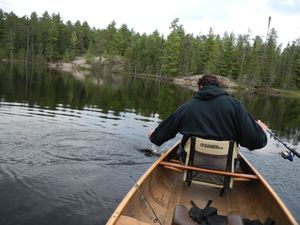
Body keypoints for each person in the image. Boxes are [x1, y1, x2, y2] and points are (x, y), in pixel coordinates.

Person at [148, 74, 268, 150]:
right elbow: (257, 142)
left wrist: (155, 136)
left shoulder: (187, 107)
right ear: (218, 87)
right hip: (224, 167)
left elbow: (165, 130)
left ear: (200, 87)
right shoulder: (236, 106)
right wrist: (260, 130)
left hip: (191, 164)